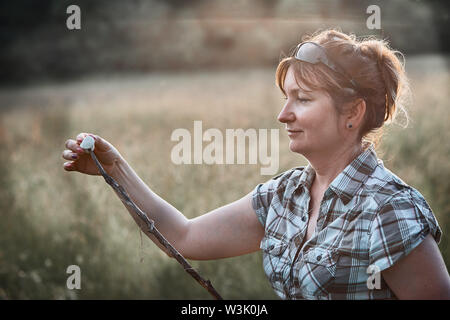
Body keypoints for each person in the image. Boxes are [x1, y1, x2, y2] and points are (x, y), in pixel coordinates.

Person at [61, 28, 450, 300]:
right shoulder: (283, 197)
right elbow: (183, 236)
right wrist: (116, 170)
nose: (283, 114)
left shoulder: (391, 210)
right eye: (286, 98)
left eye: (303, 99)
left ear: (353, 112)